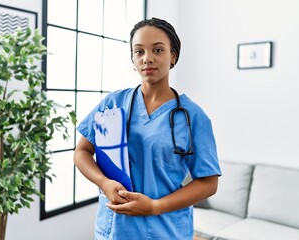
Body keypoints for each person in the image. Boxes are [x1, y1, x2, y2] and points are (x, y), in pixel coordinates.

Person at [73, 17, 221, 240]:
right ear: (132, 59)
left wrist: (154, 206)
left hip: (164, 230)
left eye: (158, 50)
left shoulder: (194, 117)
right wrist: (104, 182)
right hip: (113, 229)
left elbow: (208, 183)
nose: (147, 58)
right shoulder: (113, 103)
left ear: (173, 56)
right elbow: (82, 152)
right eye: (139, 51)